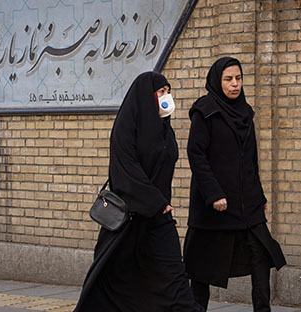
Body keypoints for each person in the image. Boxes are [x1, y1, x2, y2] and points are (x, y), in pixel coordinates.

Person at [74, 72, 203, 312]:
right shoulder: (125, 127)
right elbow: (126, 170)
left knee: (175, 276)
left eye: (168, 91)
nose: (166, 97)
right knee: (113, 280)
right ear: (147, 96)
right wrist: (155, 200)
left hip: (159, 220)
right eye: (161, 92)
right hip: (129, 221)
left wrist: (159, 205)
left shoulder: (165, 128)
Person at [184, 57, 287, 312]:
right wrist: (213, 194)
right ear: (217, 81)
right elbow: (196, 155)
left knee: (261, 258)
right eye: (228, 79)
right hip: (214, 208)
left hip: (247, 205)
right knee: (201, 270)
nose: (235, 84)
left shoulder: (245, 112)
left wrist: (260, 197)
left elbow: (251, 161)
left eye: (238, 79)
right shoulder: (204, 111)